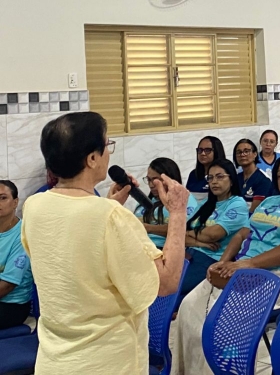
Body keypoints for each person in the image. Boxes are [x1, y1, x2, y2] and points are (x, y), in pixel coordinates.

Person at [22, 112, 189, 374]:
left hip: (54, 360)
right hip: (106, 362)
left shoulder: (34, 205)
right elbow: (166, 282)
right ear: (92, 158)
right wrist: (178, 213)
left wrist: (107, 205)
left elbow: (73, 247)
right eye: (107, 145)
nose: (109, 153)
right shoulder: (111, 216)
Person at [173, 156, 280, 375]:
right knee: (189, 306)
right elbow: (242, 233)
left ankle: (229, 367)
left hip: (279, 276)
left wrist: (250, 264)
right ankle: (186, 370)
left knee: (220, 316)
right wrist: (224, 261)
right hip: (242, 270)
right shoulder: (269, 202)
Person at [179, 159, 250, 301]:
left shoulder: (237, 203)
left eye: (220, 177)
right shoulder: (206, 203)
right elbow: (180, 233)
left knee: (174, 288)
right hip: (189, 253)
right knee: (160, 281)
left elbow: (213, 235)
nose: (214, 182)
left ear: (231, 180)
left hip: (211, 258)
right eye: (210, 178)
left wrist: (189, 233)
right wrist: (199, 242)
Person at [135, 158, 199, 248]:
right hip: (140, 247)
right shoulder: (144, 202)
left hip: (168, 248)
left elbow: (184, 228)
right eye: (148, 180)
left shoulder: (184, 200)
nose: (151, 185)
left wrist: (148, 227)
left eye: (155, 180)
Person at [0, 180, 32, 330]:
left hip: (12, 306)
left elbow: (7, 285)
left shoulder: (23, 234)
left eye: (3, 198)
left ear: (15, 202)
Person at [232, 138, 272, 206]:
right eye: (239, 152)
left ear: (255, 154)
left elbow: (255, 209)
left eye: (246, 151)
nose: (242, 155)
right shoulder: (236, 178)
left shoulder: (263, 179)